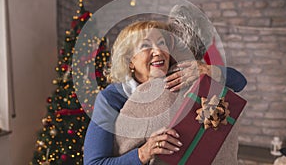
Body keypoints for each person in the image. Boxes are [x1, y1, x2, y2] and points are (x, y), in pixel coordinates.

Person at [84, 19, 247, 165]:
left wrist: (207, 70)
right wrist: (144, 153)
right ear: (130, 60)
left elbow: (239, 82)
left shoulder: (178, 76)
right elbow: (94, 162)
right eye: (145, 46)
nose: (158, 51)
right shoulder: (112, 98)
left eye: (162, 43)